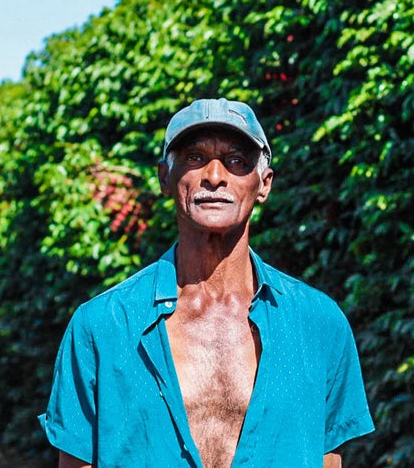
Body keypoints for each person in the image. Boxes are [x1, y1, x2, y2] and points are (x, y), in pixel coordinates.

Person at [40, 98, 374, 468]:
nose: (214, 176)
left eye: (236, 161)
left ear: (264, 184)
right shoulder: (102, 326)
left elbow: (328, 460)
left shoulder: (318, 324)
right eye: (195, 158)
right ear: (165, 177)